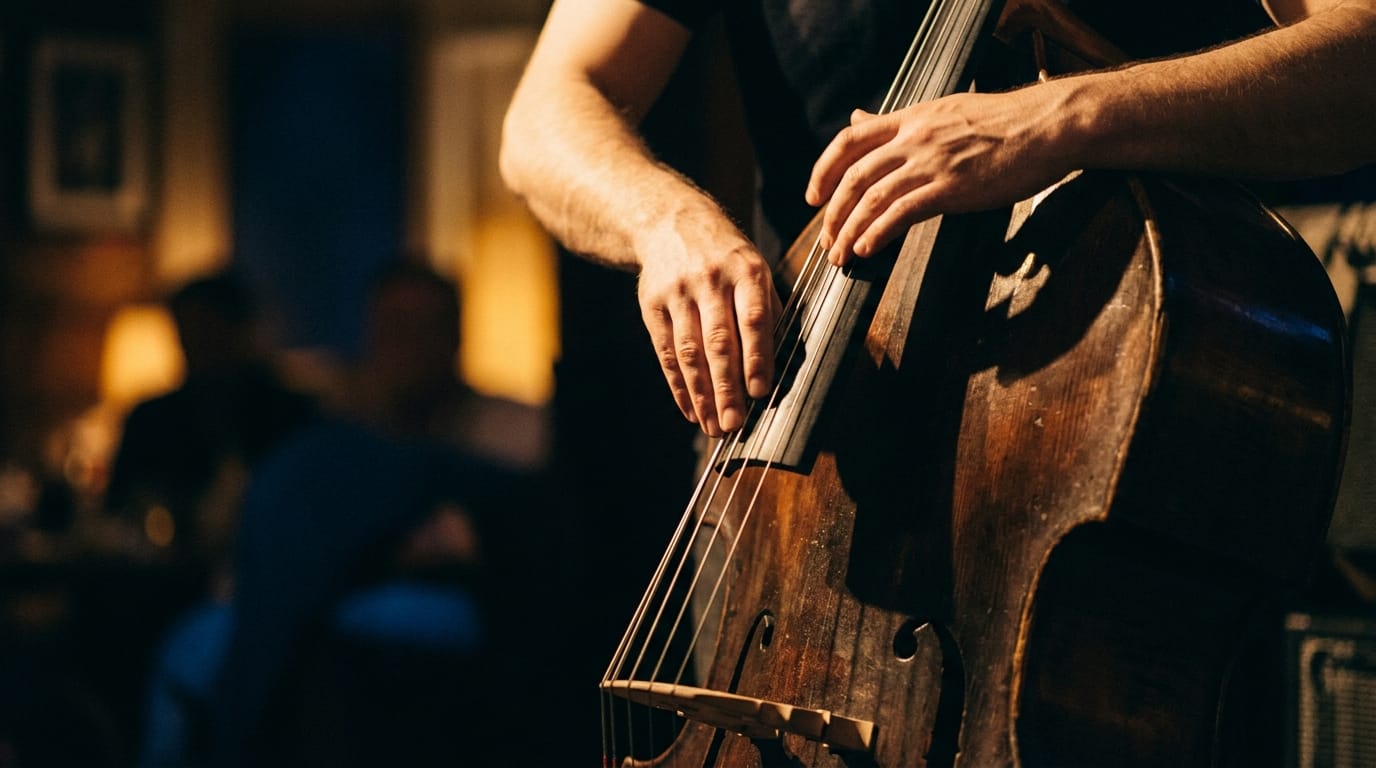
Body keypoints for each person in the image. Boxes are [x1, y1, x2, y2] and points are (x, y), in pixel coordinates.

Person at [499, 0, 1376, 438]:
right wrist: (665, 222)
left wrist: (1067, 117)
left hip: (1119, 420)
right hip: (807, 433)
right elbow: (547, 111)